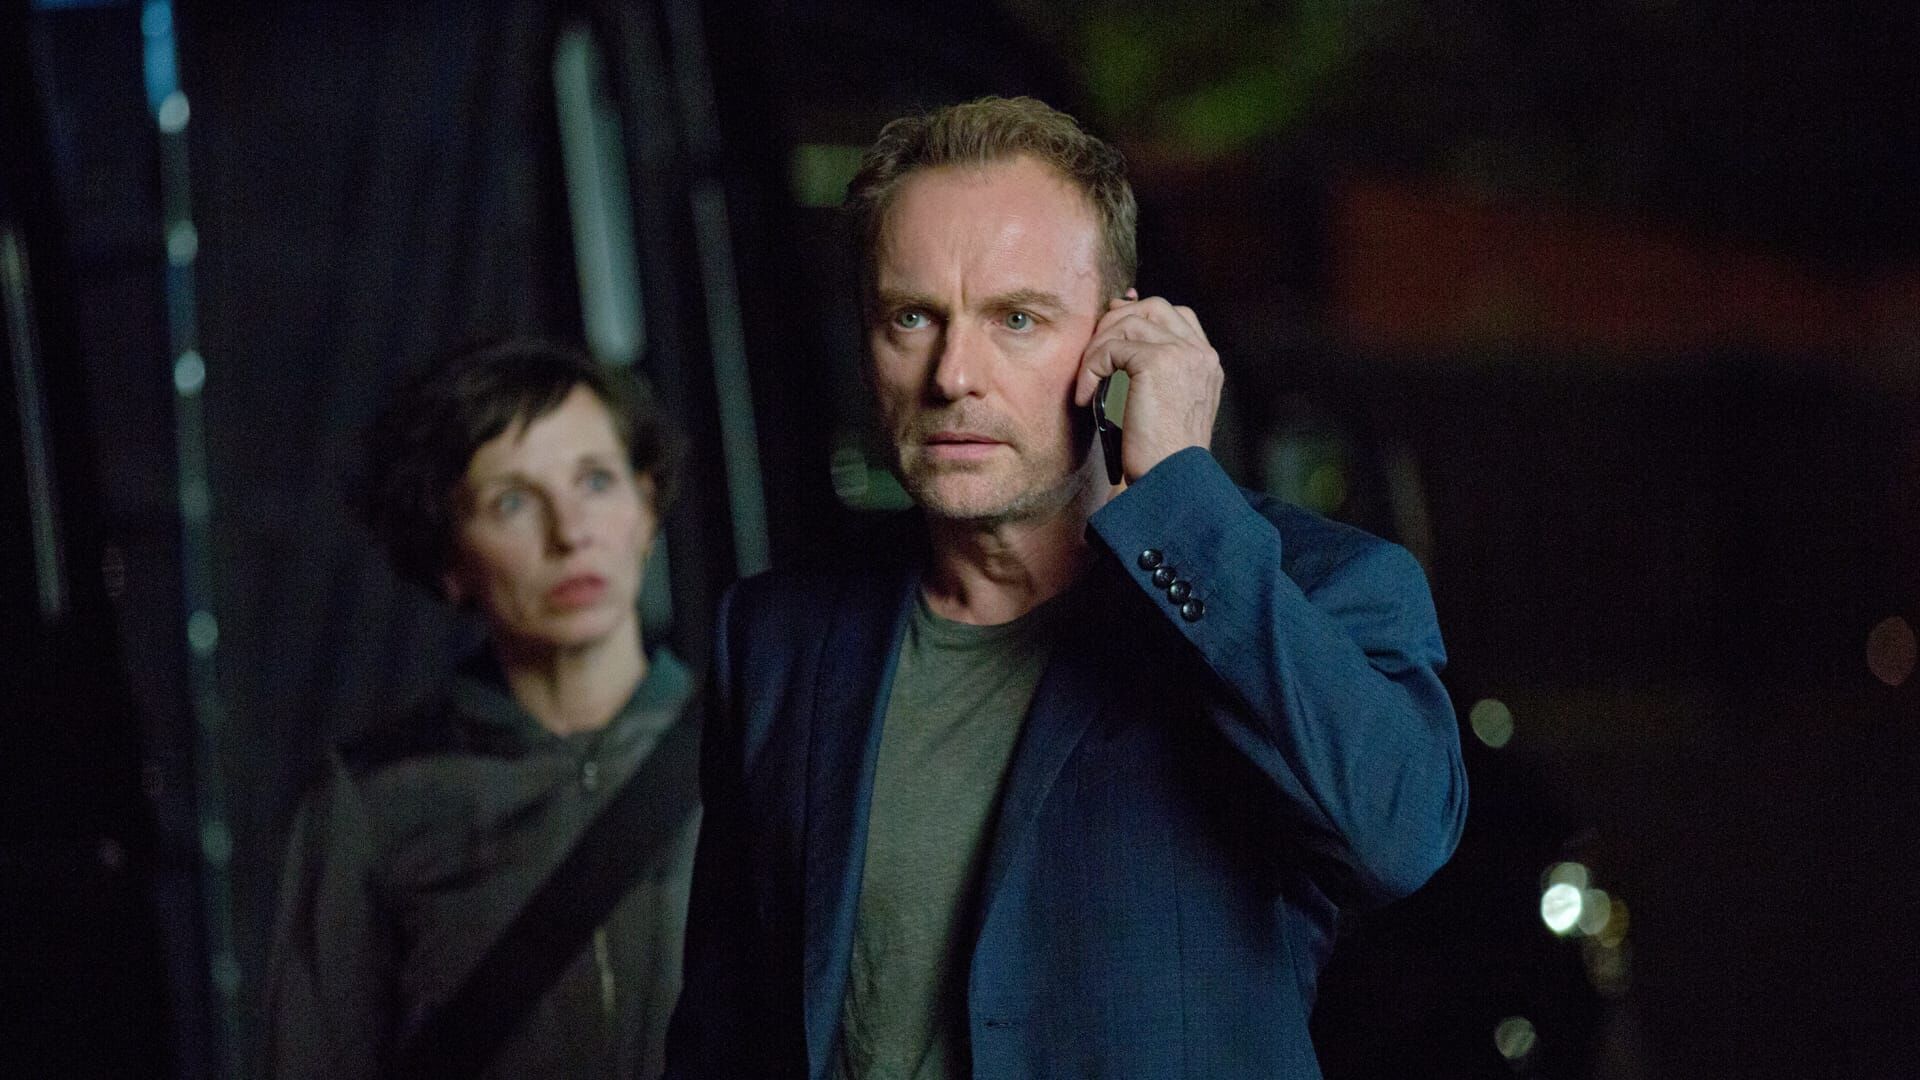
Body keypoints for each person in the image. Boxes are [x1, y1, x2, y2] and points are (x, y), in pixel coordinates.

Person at [664, 96, 1469, 1079]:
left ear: (1119, 337)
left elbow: (1399, 839)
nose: (954, 375)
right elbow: (722, 1035)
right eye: (913, 317)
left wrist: (1181, 495)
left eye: (1017, 319)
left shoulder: (1316, 587)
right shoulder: (779, 637)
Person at [264, 340, 698, 1079]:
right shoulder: (378, 801)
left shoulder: (756, 752)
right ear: (450, 560)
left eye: (595, 481)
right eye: (512, 502)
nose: (570, 533)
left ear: (646, 507)